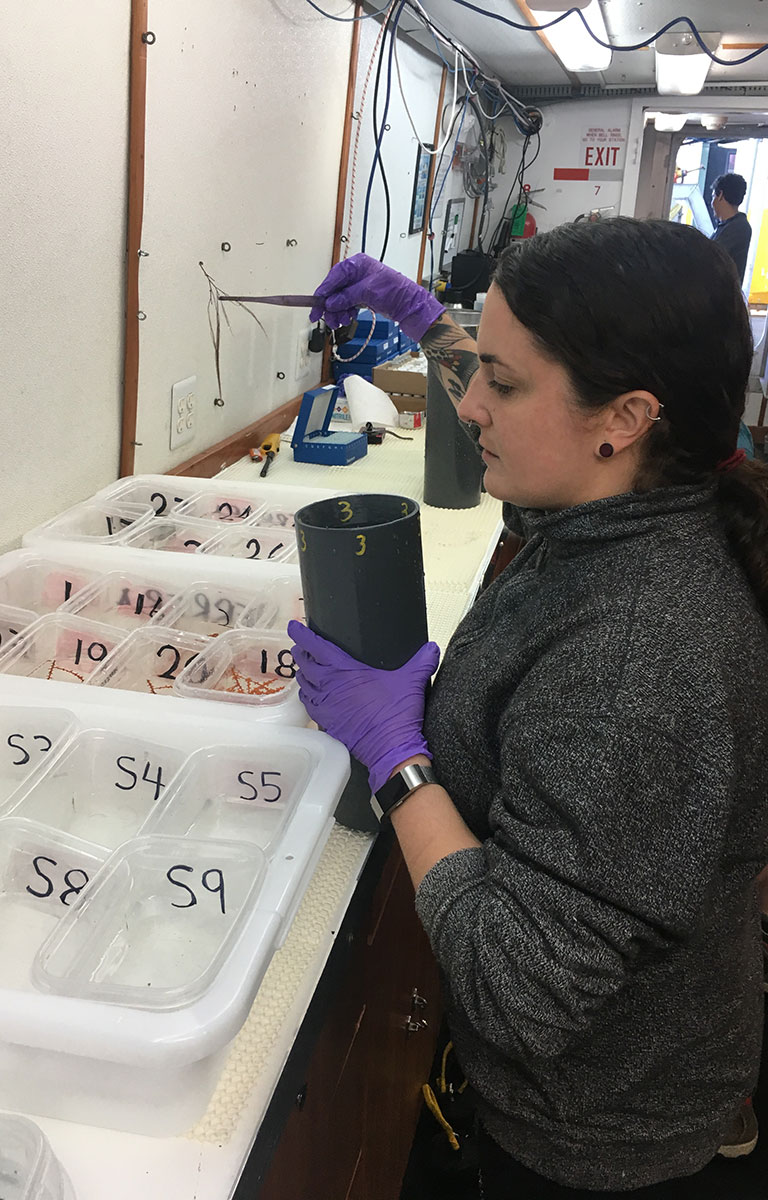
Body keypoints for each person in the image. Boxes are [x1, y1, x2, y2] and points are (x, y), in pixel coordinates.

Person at [290, 221, 768, 1197]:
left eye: (498, 382)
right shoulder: (613, 505)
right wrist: (423, 319)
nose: (468, 405)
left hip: (594, 1134)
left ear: (625, 416)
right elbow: (524, 407)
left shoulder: (636, 655)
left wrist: (396, 755)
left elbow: (519, 991)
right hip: (628, 1062)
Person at [710, 173, 752, 284]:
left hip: (723, 297)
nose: (712, 203)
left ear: (721, 196)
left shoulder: (739, 227)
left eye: (713, 196)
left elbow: (709, 256)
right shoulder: (726, 226)